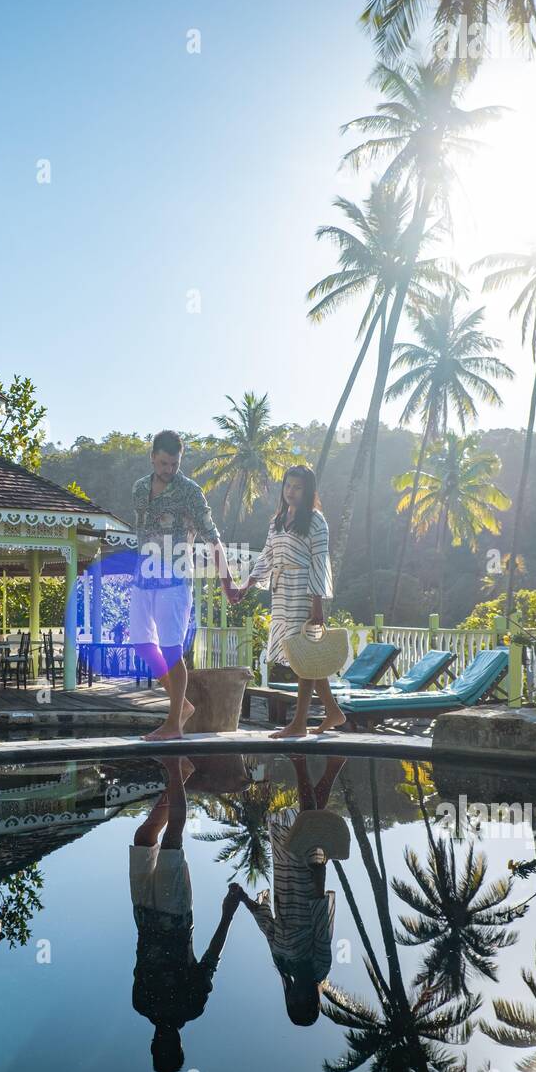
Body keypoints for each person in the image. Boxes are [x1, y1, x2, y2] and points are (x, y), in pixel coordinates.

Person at [129, 756, 243, 1072]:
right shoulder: (190, 1007)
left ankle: (182, 774)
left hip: (143, 914)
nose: (164, 1042)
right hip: (175, 915)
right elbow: (210, 959)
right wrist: (227, 914)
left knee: (143, 837)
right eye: (171, 1048)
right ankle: (174, 767)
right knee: (171, 840)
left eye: (159, 1048)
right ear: (179, 1044)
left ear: (152, 1046)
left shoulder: (141, 1004)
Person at [130, 429, 234, 740]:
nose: (169, 470)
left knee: (171, 649)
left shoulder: (190, 492)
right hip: (143, 575)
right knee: (141, 643)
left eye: (174, 464)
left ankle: (174, 723)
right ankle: (183, 704)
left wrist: (226, 580)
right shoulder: (138, 489)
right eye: (163, 463)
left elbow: (212, 538)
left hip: (174, 578)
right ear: (152, 458)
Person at [230, 464, 346, 737]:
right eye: (287, 486)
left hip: (304, 591)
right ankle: (333, 711)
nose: (291, 491)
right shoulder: (278, 521)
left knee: (303, 656)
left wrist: (317, 603)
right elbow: (267, 558)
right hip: (281, 592)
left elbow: (319, 561)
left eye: (297, 487)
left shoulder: (316, 521)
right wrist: (246, 584)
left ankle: (299, 723)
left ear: (307, 491)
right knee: (303, 654)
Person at [232, 754, 346, 1026]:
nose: (299, 998)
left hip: (284, 881)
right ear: (313, 1002)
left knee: (302, 824)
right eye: (306, 1004)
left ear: (290, 1000)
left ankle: (333, 765)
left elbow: (268, 927)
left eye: (294, 1003)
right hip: (307, 888)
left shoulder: (283, 963)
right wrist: (319, 881)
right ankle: (300, 763)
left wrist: (243, 899)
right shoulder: (319, 967)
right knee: (308, 825)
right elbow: (321, 931)